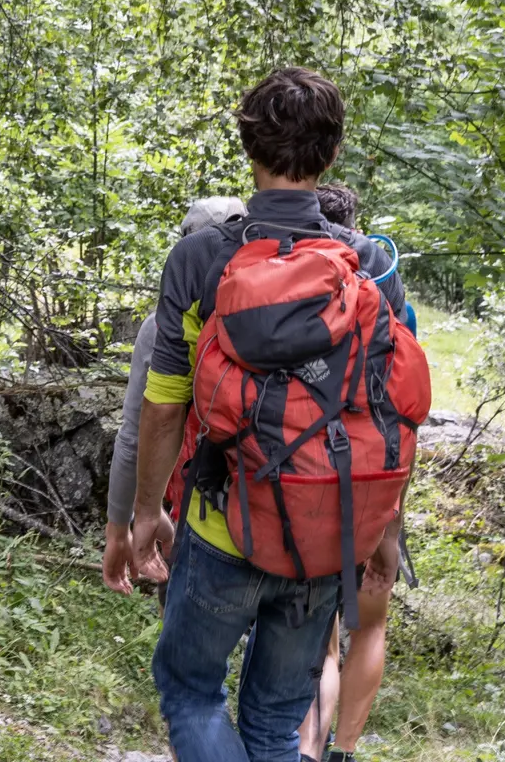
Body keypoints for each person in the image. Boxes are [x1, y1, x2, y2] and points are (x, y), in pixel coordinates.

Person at [129, 68, 406, 762]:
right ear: (333, 153)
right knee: (278, 725)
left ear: (247, 146)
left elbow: (164, 404)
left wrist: (144, 514)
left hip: (223, 524)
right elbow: (392, 414)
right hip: (326, 527)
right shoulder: (370, 265)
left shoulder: (201, 257)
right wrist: (381, 529)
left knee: (190, 687)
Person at [298, 182, 403, 762]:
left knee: (324, 637)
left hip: (312, 469)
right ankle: (346, 749)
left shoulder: (300, 275)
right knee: (372, 618)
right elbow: (403, 408)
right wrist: (391, 526)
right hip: (378, 474)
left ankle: (308, 750)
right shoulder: (385, 285)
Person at [103, 196, 248, 596]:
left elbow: (135, 435)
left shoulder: (164, 324)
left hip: (203, 512)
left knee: (185, 654)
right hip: (294, 503)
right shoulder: (300, 298)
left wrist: (124, 523)